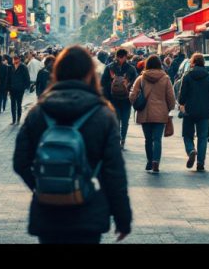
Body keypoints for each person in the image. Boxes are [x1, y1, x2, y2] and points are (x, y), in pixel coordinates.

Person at [13, 45, 132, 244]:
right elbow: (114, 172)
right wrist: (122, 218)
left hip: (48, 210)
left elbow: (20, 161)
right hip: (87, 210)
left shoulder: (38, 112)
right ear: (89, 74)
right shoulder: (103, 114)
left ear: (57, 72)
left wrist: (45, 184)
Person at [128, 55, 176, 174]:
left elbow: (132, 95)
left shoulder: (141, 78)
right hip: (161, 113)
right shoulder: (165, 78)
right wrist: (168, 108)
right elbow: (171, 97)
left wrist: (136, 102)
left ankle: (149, 161)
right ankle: (156, 161)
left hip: (145, 112)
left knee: (148, 139)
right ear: (160, 64)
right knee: (157, 139)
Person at [178, 53, 209, 172]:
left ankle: (191, 150)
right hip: (205, 112)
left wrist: (182, 103)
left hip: (189, 111)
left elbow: (181, 97)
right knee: (202, 137)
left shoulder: (187, 76)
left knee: (187, 135)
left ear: (192, 62)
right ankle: (200, 162)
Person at [100, 48, 137, 149]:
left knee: (122, 121)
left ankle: (122, 139)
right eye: (120, 57)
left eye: (122, 57)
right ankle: (120, 139)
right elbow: (136, 83)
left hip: (120, 99)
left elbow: (102, 83)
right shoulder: (130, 68)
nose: (121, 59)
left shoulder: (109, 67)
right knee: (120, 121)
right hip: (120, 99)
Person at [10, 54, 31, 125]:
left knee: (19, 104)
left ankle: (18, 119)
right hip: (12, 88)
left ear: (19, 59)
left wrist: (25, 87)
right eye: (14, 59)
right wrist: (8, 87)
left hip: (20, 89)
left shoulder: (23, 67)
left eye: (16, 59)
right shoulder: (11, 67)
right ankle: (13, 120)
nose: (14, 60)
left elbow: (27, 77)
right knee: (12, 104)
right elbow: (8, 77)